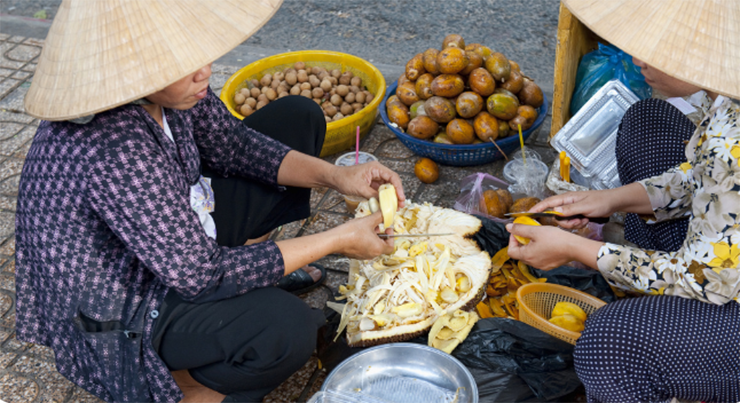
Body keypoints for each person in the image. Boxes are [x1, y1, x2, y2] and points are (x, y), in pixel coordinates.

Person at [14, 1, 404, 402]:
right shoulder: (114, 147)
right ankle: (190, 388)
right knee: (285, 330)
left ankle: (255, 276)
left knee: (296, 117)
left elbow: (233, 146)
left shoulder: (169, 93)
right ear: (132, 75)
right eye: (183, 66)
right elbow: (202, 276)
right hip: (123, 299)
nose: (205, 72)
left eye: (198, 56)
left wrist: (336, 176)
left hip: (175, 240)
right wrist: (339, 239)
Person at [506, 0, 740, 402]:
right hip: (724, 252)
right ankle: (650, 301)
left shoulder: (732, 144)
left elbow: (705, 280)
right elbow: (708, 174)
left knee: (609, 347)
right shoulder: (728, 96)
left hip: (721, 286)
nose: (638, 60)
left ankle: (676, 360)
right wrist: (610, 200)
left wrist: (580, 250)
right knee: (646, 119)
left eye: (662, 53)